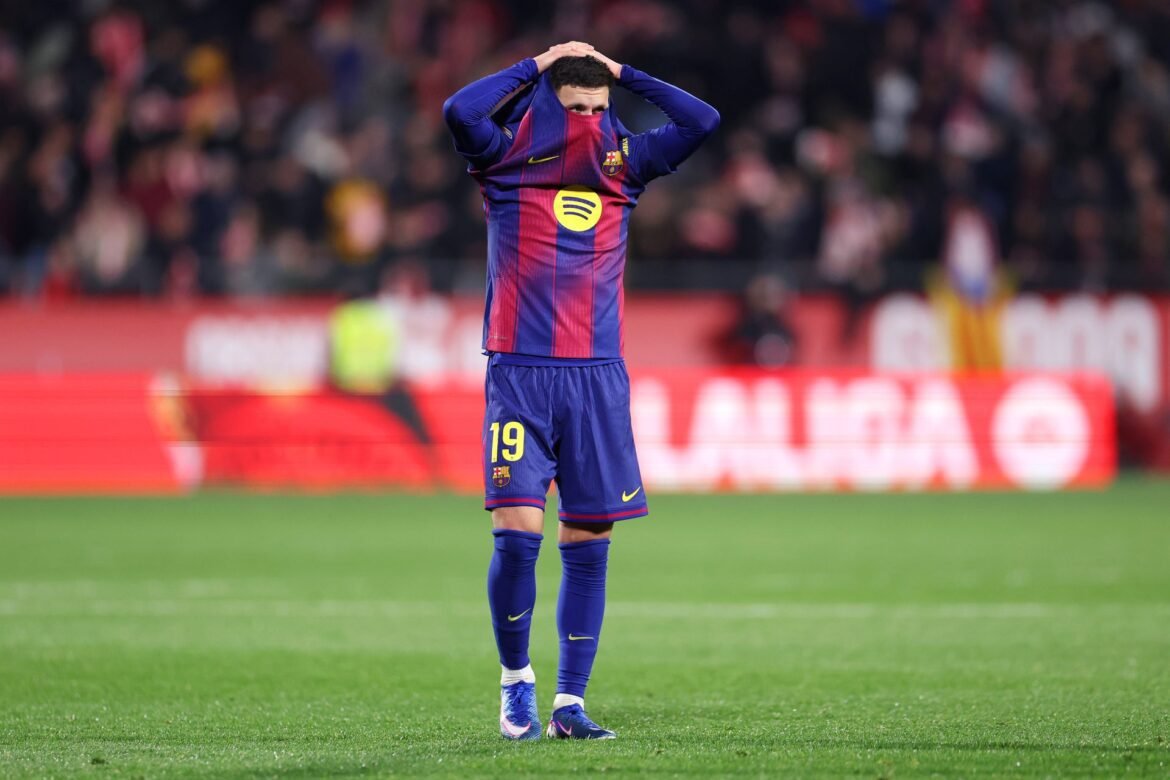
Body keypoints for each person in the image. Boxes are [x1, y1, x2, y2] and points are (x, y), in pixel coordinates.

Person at [443, 41, 718, 741]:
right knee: (517, 538)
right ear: (548, 103)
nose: (589, 122)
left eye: (599, 109)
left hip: (598, 378)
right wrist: (540, 62)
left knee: (590, 544)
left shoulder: (624, 165)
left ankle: (569, 704)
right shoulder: (505, 158)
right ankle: (516, 685)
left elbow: (702, 120)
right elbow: (459, 110)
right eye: (576, 108)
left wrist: (622, 73)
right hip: (521, 373)